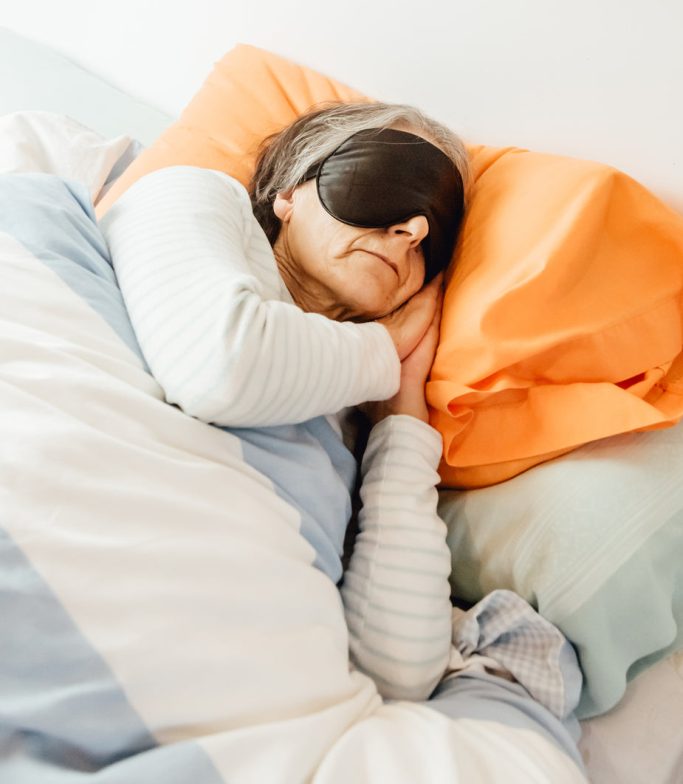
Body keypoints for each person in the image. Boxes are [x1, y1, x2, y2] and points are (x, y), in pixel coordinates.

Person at [100, 101, 585, 767]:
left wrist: (401, 426)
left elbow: (397, 670)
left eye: (436, 236)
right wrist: (389, 347)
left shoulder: (351, 428)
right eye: (385, 182)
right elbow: (221, 369)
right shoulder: (188, 195)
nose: (412, 226)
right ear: (290, 192)